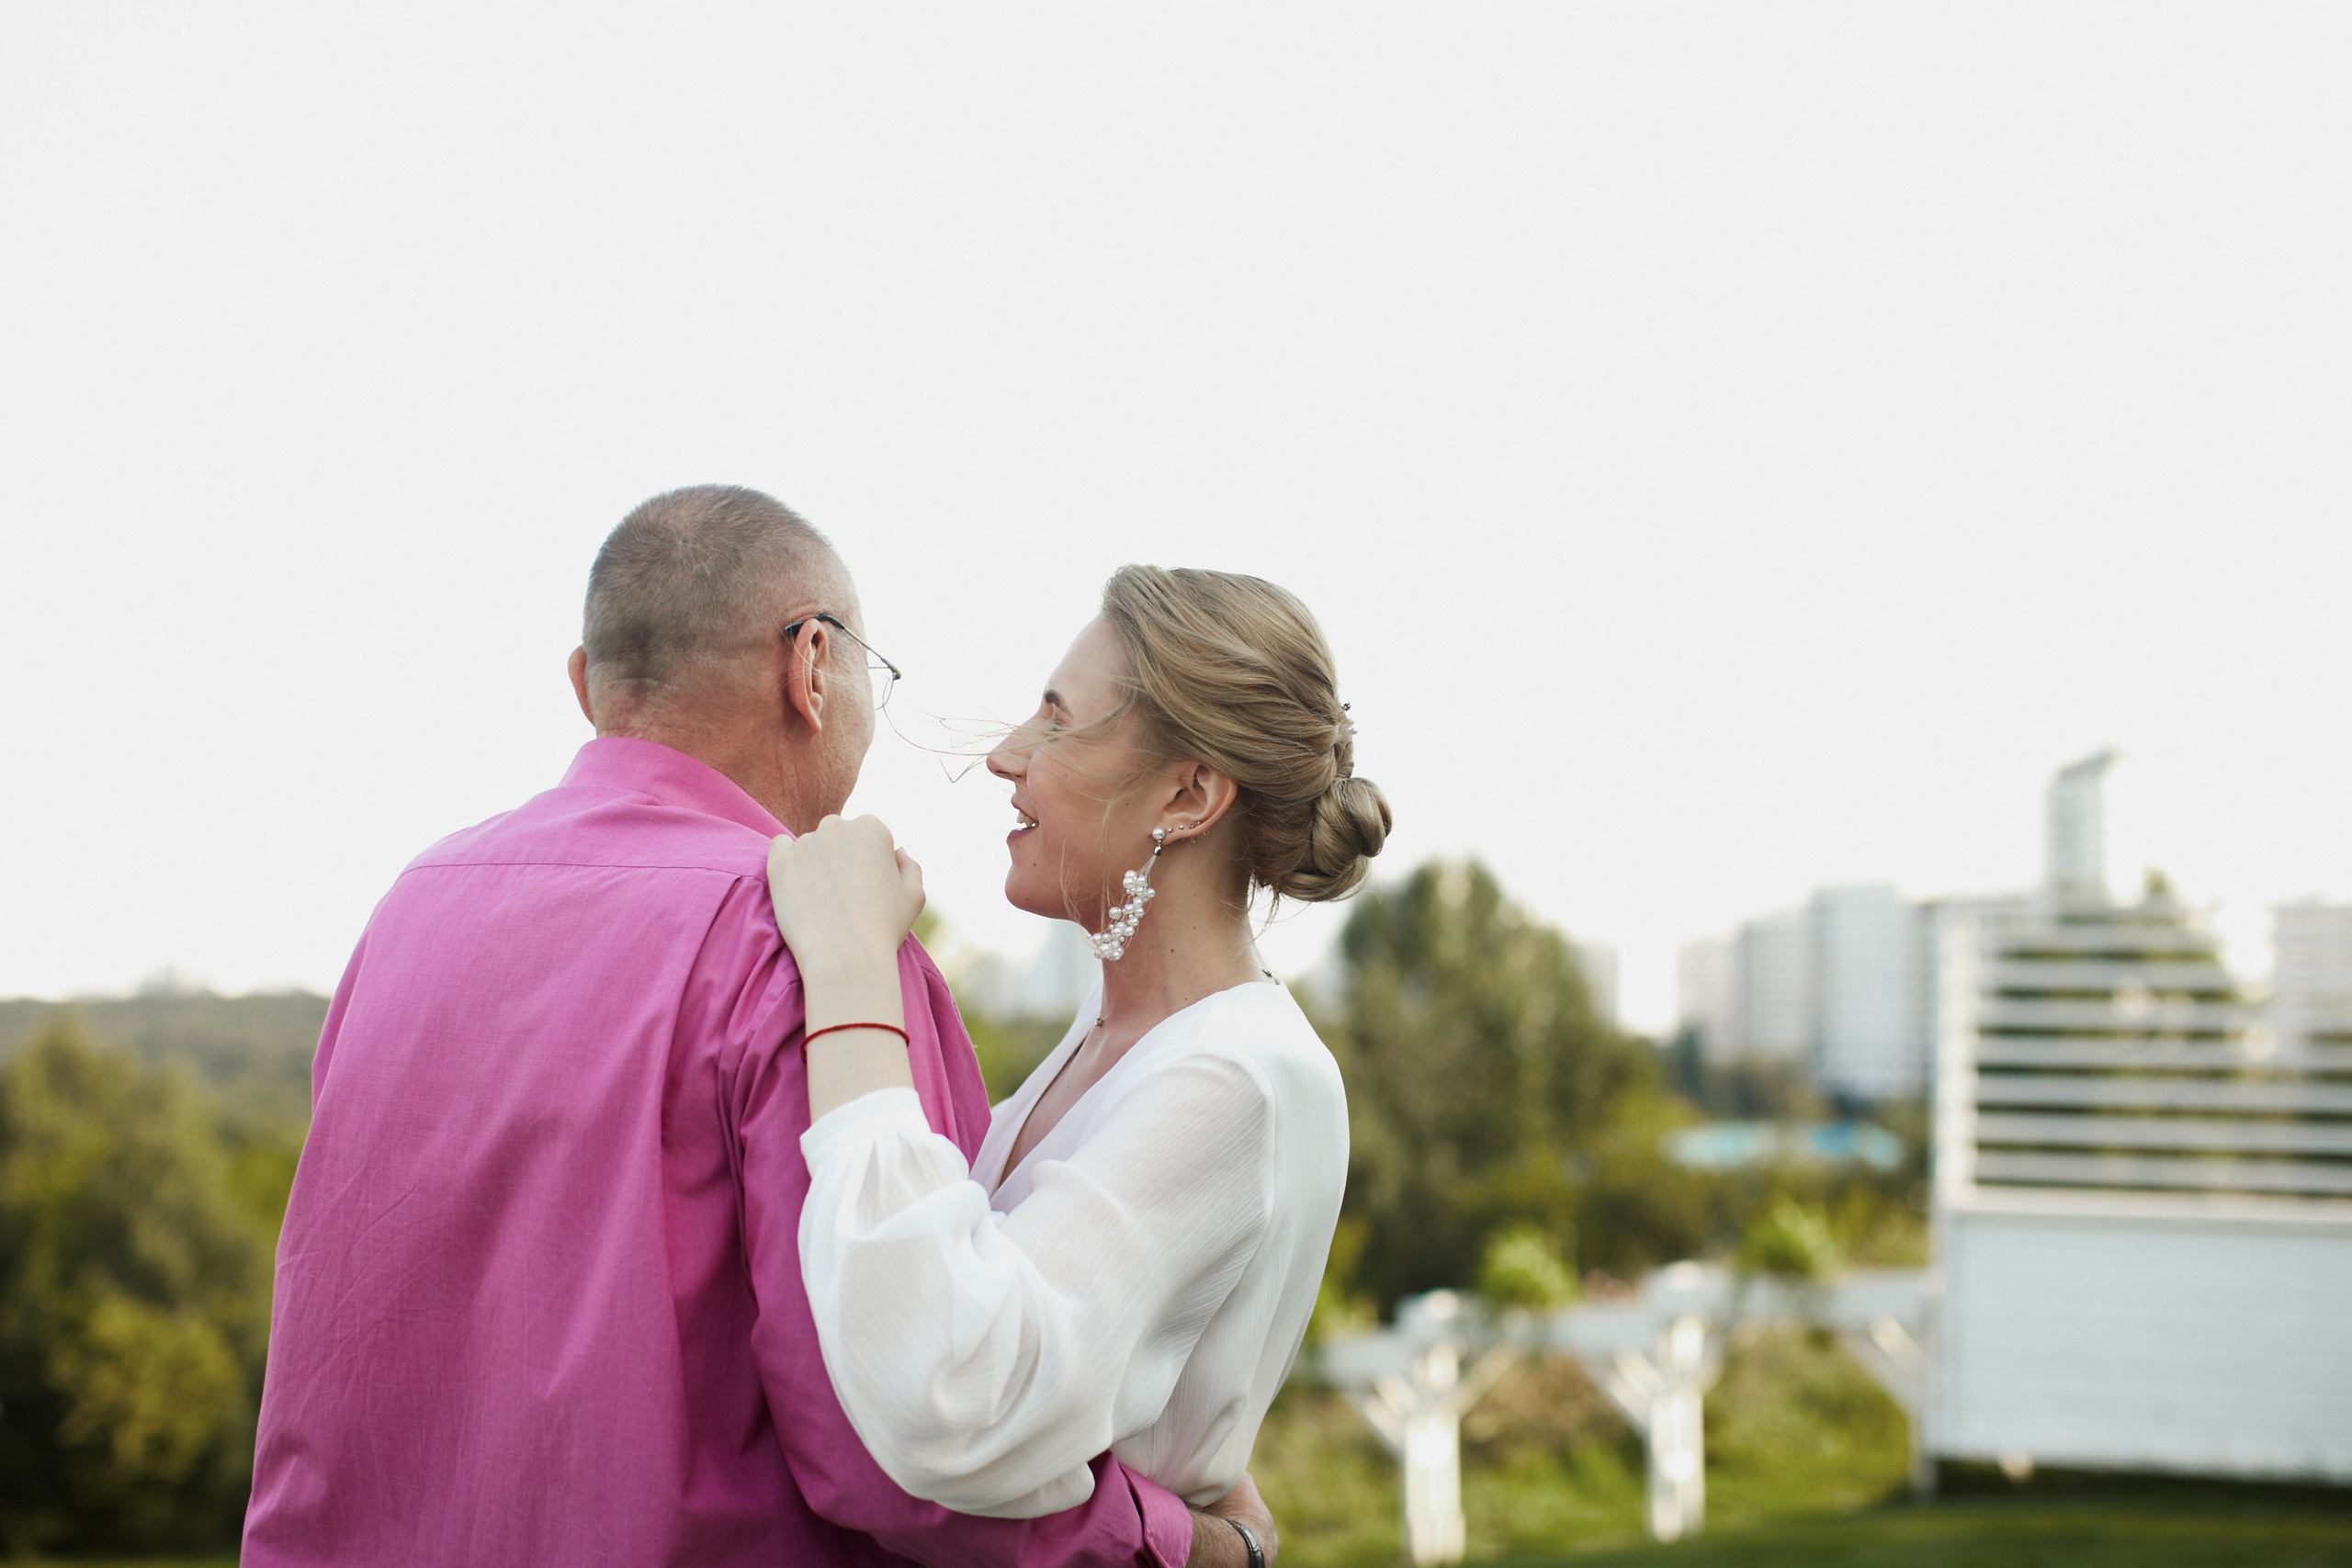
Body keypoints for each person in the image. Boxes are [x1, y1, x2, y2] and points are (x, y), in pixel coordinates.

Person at [243, 487, 1272, 1568]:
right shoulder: (813, 946)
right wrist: (1189, 1543)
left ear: (588, 686)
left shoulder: (412, 906)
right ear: (812, 667)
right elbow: (903, 1449)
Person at [768, 566, 1391, 1521]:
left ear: (1187, 796)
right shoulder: (1126, 1035)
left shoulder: (1239, 1077)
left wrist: (851, 982)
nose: (1008, 756)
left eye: (1057, 720)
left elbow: (959, 1395)